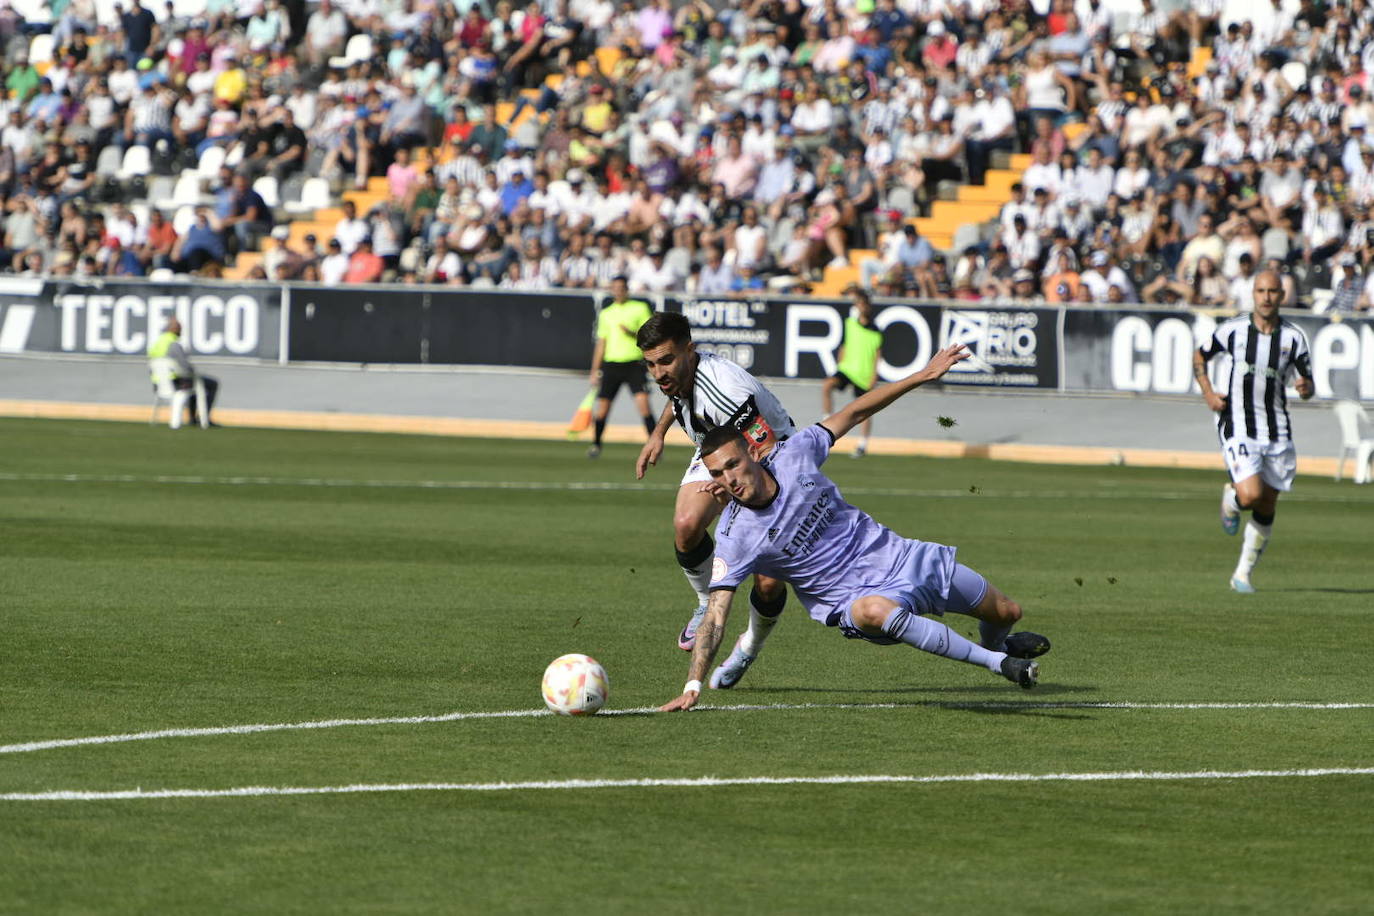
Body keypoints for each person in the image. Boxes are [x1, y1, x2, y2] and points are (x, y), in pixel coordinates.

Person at [659, 344, 1050, 711]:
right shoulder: (734, 535)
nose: (729, 479)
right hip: (854, 600)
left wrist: (922, 375)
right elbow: (715, 616)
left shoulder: (796, 454)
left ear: (753, 452)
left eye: (732, 465)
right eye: (717, 474)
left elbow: (856, 412)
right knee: (876, 610)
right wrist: (692, 684)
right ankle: (999, 664)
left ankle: (1002, 646)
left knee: (1007, 611)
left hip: (900, 557)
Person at [635, 311, 796, 652]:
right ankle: (707, 602)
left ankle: (750, 644)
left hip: (774, 458)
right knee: (686, 524)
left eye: (665, 361)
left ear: (689, 350)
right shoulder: (678, 373)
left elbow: (765, 444)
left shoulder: (726, 392)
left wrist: (730, 482)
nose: (658, 373)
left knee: (767, 582)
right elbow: (675, 393)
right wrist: (657, 433)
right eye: (650, 364)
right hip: (717, 443)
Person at [1192, 270, 1314, 594]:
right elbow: (1200, 354)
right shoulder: (1233, 330)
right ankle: (1232, 498)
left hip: (1277, 430)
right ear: (1253, 294)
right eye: (1261, 290)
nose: (1266, 297)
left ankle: (1242, 575)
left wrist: (1305, 388)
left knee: (1267, 505)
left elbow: (1307, 383)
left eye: (1273, 291)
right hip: (1239, 423)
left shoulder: (1293, 338)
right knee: (1251, 494)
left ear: (1282, 295)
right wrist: (1207, 391)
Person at [586, 275, 656, 458]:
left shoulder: (639, 308)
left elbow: (649, 335)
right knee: (603, 408)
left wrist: (632, 333)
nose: (618, 291)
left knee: (644, 405)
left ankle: (655, 444)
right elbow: (601, 343)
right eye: (615, 287)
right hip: (612, 365)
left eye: (621, 287)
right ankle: (596, 444)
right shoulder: (606, 313)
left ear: (627, 289)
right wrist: (595, 370)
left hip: (634, 364)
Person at [820, 287, 883, 458]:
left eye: (864, 304)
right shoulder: (850, 324)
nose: (862, 307)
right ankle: (827, 422)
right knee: (827, 386)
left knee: (866, 409)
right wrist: (839, 365)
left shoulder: (876, 331)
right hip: (847, 369)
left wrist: (873, 376)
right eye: (859, 304)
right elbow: (844, 345)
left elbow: (877, 355)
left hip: (864, 374)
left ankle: (863, 444)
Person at [146, 318, 219, 427]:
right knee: (208, 384)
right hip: (176, 383)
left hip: (158, 384)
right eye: (180, 329)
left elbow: (151, 365)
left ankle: (192, 418)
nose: (181, 332)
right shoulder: (174, 344)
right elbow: (184, 366)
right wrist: (193, 373)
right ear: (175, 330)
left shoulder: (157, 343)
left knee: (194, 383)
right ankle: (200, 418)